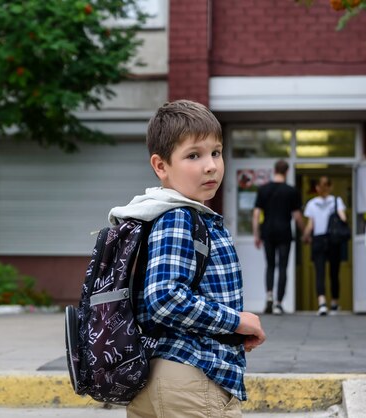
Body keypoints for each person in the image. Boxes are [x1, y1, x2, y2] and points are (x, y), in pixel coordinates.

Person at [108, 100, 266, 418]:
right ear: (161, 166)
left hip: (157, 375)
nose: (211, 165)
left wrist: (228, 333)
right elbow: (164, 297)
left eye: (216, 152)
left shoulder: (159, 215)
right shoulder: (179, 216)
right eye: (194, 155)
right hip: (191, 377)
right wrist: (236, 320)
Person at [252, 160, 305, 315]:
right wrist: (305, 233)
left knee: (270, 265)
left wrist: (257, 234)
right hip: (284, 233)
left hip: (267, 232)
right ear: (287, 172)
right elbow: (297, 216)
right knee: (282, 266)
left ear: (274, 170)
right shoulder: (291, 191)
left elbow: (256, 214)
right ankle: (279, 304)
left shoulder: (263, 190)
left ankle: (269, 295)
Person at [303, 176, 347, 316]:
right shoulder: (336, 201)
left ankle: (322, 303)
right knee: (334, 272)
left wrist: (305, 235)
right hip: (333, 239)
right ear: (330, 187)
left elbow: (310, 224)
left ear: (317, 188)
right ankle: (334, 303)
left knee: (319, 272)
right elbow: (343, 218)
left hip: (318, 239)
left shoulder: (312, 203)